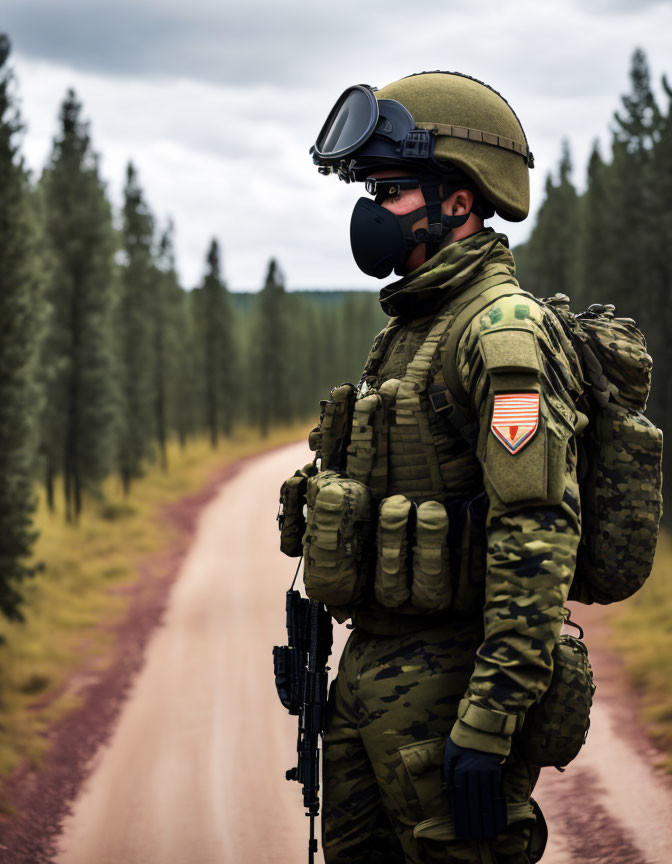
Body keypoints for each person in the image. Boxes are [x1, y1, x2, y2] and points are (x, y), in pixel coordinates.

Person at [293, 71, 585, 864]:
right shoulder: (413, 327)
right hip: (371, 672)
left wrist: (490, 720)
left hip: (451, 688)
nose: (370, 210)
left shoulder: (498, 331)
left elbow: (536, 536)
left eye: (390, 188)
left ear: (459, 200)